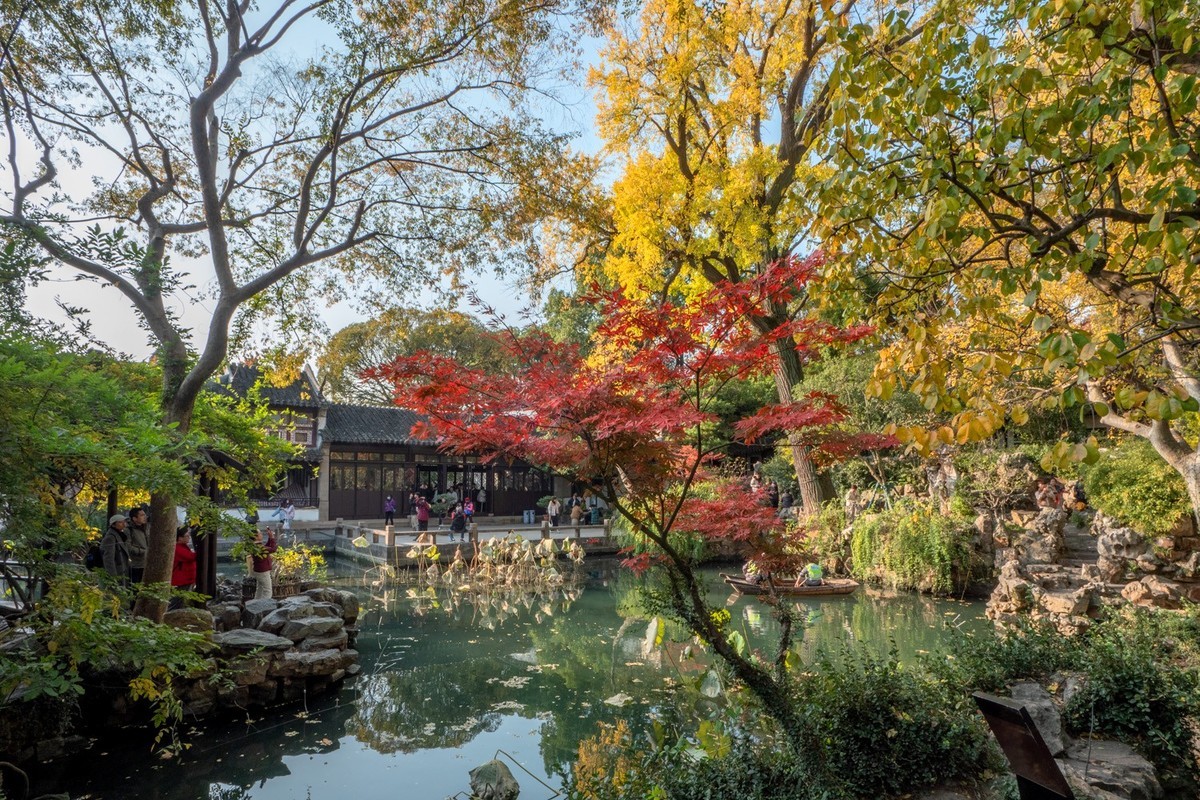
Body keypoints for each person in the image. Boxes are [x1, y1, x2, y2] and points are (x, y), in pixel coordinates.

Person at [170, 526, 197, 610]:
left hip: (184, 580)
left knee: (180, 601)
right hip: (180, 581)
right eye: (187, 535)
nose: (189, 537)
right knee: (176, 602)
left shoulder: (183, 546)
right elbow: (191, 557)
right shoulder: (177, 548)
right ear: (179, 538)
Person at [100, 513, 131, 582]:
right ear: (113, 524)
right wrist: (113, 577)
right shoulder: (110, 537)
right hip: (117, 571)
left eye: (124, 522)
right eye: (120, 522)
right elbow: (108, 559)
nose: (123, 524)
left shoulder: (122, 535)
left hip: (123, 570)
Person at [251, 528, 278, 600]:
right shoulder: (259, 547)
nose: (262, 534)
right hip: (263, 572)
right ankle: (264, 607)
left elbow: (267, 548)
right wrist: (272, 537)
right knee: (268, 591)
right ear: (256, 536)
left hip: (258, 571)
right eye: (260, 533)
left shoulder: (255, 546)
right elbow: (273, 549)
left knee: (259, 590)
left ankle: (255, 605)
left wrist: (270, 538)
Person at [126, 506, 149, 584]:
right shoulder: (129, 530)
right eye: (142, 515)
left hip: (147, 564)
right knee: (136, 588)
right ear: (134, 518)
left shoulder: (146, 528)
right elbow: (128, 546)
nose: (145, 517)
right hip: (136, 565)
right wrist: (143, 551)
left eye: (144, 515)